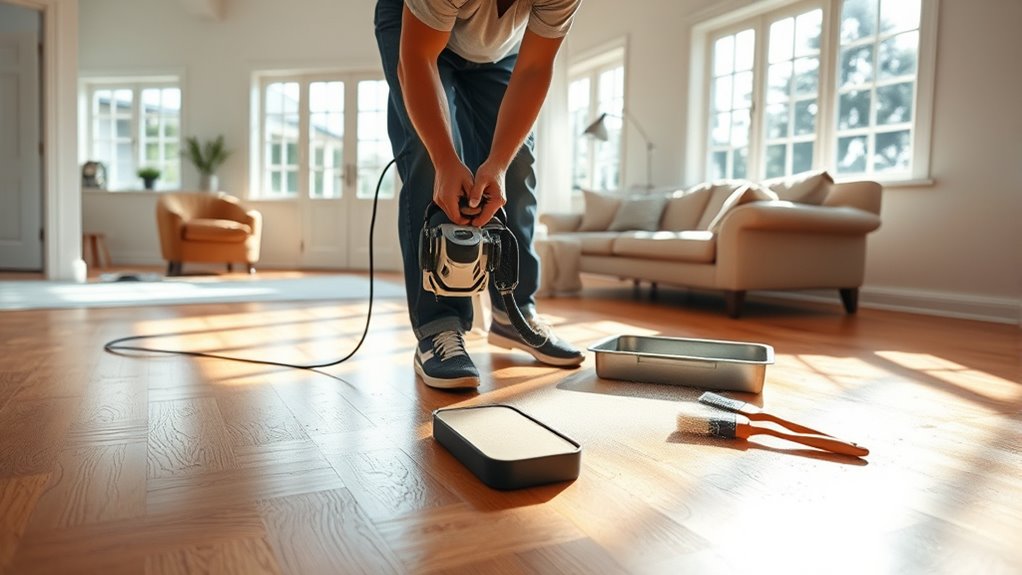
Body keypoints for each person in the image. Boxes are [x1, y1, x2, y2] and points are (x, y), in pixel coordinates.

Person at [374, 0, 585, 390]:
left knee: (518, 163)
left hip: (499, 51)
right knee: (426, 160)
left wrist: (499, 164)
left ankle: (512, 312)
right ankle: (438, 325)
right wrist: (444, 159)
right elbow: (418, 58)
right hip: (416, 32)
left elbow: (535, 67)